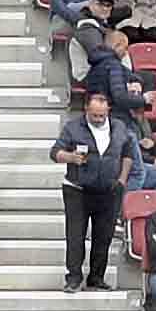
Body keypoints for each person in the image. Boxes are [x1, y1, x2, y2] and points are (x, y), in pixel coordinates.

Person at [57, 98, 130, 294]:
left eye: (102, 115)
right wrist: (71, 157)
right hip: (77, 189)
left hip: (108, 190)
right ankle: (73, 278)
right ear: (86, 110)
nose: (98, 119)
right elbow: (55, 153)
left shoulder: (119, 127)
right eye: (94, 115)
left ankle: (96, 278)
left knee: (103, 237)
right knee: (75, 236)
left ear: (109, 111)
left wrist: (122, 180)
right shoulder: (73, 127)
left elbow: (128, 153)